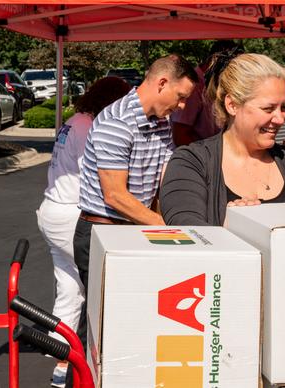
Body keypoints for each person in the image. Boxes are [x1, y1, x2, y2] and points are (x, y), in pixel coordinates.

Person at [72, 54, 197, 347]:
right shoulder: (116, 122)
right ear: (162, 83)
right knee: (103, 326)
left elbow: (168, 176)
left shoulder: (162, 122)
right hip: (102, 232)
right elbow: (115, 195)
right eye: (180, 97)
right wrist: (168, 227)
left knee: (131, 323)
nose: (181, 106)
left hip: (134, 229)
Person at [160, 53, 285, 226]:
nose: (280, 118)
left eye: (283, 107)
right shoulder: (191, 162)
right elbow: (188, 230)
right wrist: (232, 228)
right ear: (232, 105)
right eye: (268, 109)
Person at [35, 76, 131, 387]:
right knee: (97, 291)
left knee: (70, 290)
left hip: (51, 209)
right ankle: (87, 366)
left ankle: (61, 364)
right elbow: (103, 177)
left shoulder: (75, 120)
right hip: (71, 214)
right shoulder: (92, 127)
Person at [171, 40, 240, 146]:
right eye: (232, 68)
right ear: (215, 60)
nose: (235, 74)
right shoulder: (194, 86)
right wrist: (204, 158)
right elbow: (180, 133)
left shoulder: (220, 83)